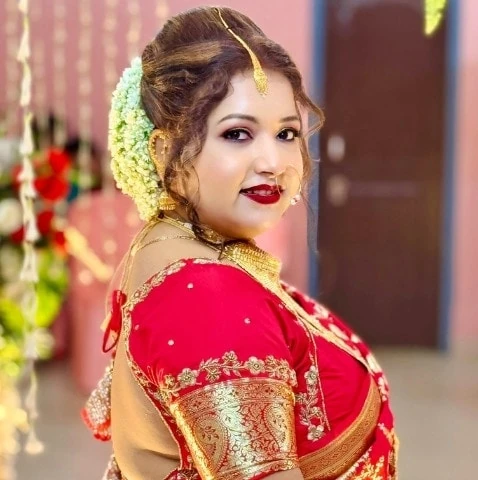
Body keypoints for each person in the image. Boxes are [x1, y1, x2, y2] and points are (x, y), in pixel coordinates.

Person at [82, 6, 398, 480]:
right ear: (164, 150)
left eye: (287, 133)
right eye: (237, 133)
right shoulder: (207, 294)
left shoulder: (171, 243)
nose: (273, 162)